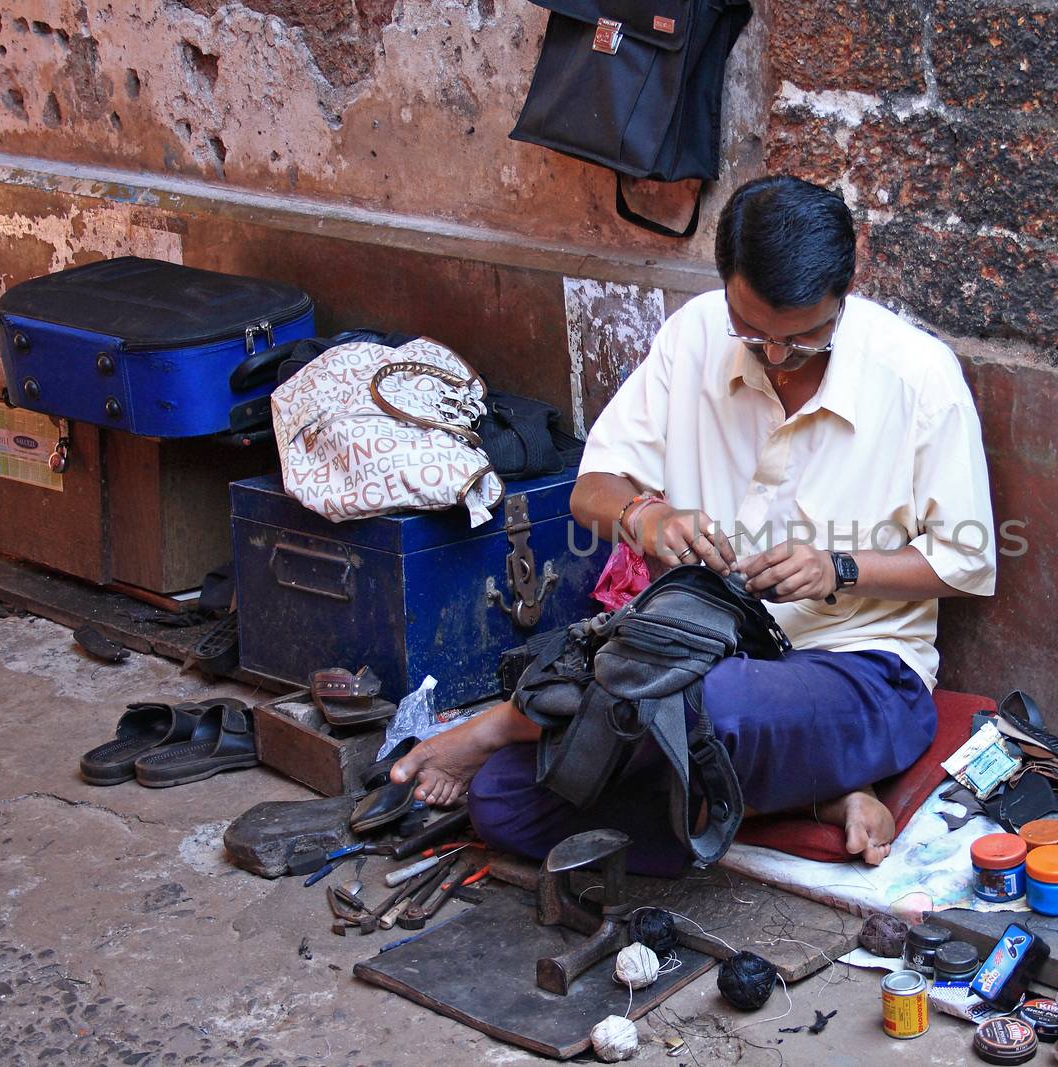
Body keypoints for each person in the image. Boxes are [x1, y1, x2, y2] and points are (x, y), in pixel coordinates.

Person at [390, 176, 997, 871]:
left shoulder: (919, 378)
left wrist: (840, 568)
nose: (774, 356)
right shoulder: (697, 333)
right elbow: (593, 489)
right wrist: (647, 517)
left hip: (859, 675)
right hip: (696, 658)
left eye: (801, 338)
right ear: (727, 285)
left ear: (844, 292)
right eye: (754, 333)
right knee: (503, 798)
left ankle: (513, 723)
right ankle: (809, 795)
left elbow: (969, 562)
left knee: (705, 707)